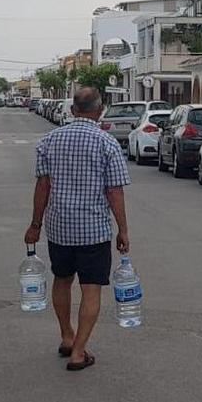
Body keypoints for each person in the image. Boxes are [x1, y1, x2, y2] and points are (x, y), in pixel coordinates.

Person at [25, 87, 131, 371]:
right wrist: (123, 230)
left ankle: (66, 335)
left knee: (62, 280)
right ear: (100, 111)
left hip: (59, 228)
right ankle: (79, 352)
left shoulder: (49, 141)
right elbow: (114, 192)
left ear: (73, 111)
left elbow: (42, 186)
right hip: (93, 231)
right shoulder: (107, 144)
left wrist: (35, 225)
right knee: (91, 289)